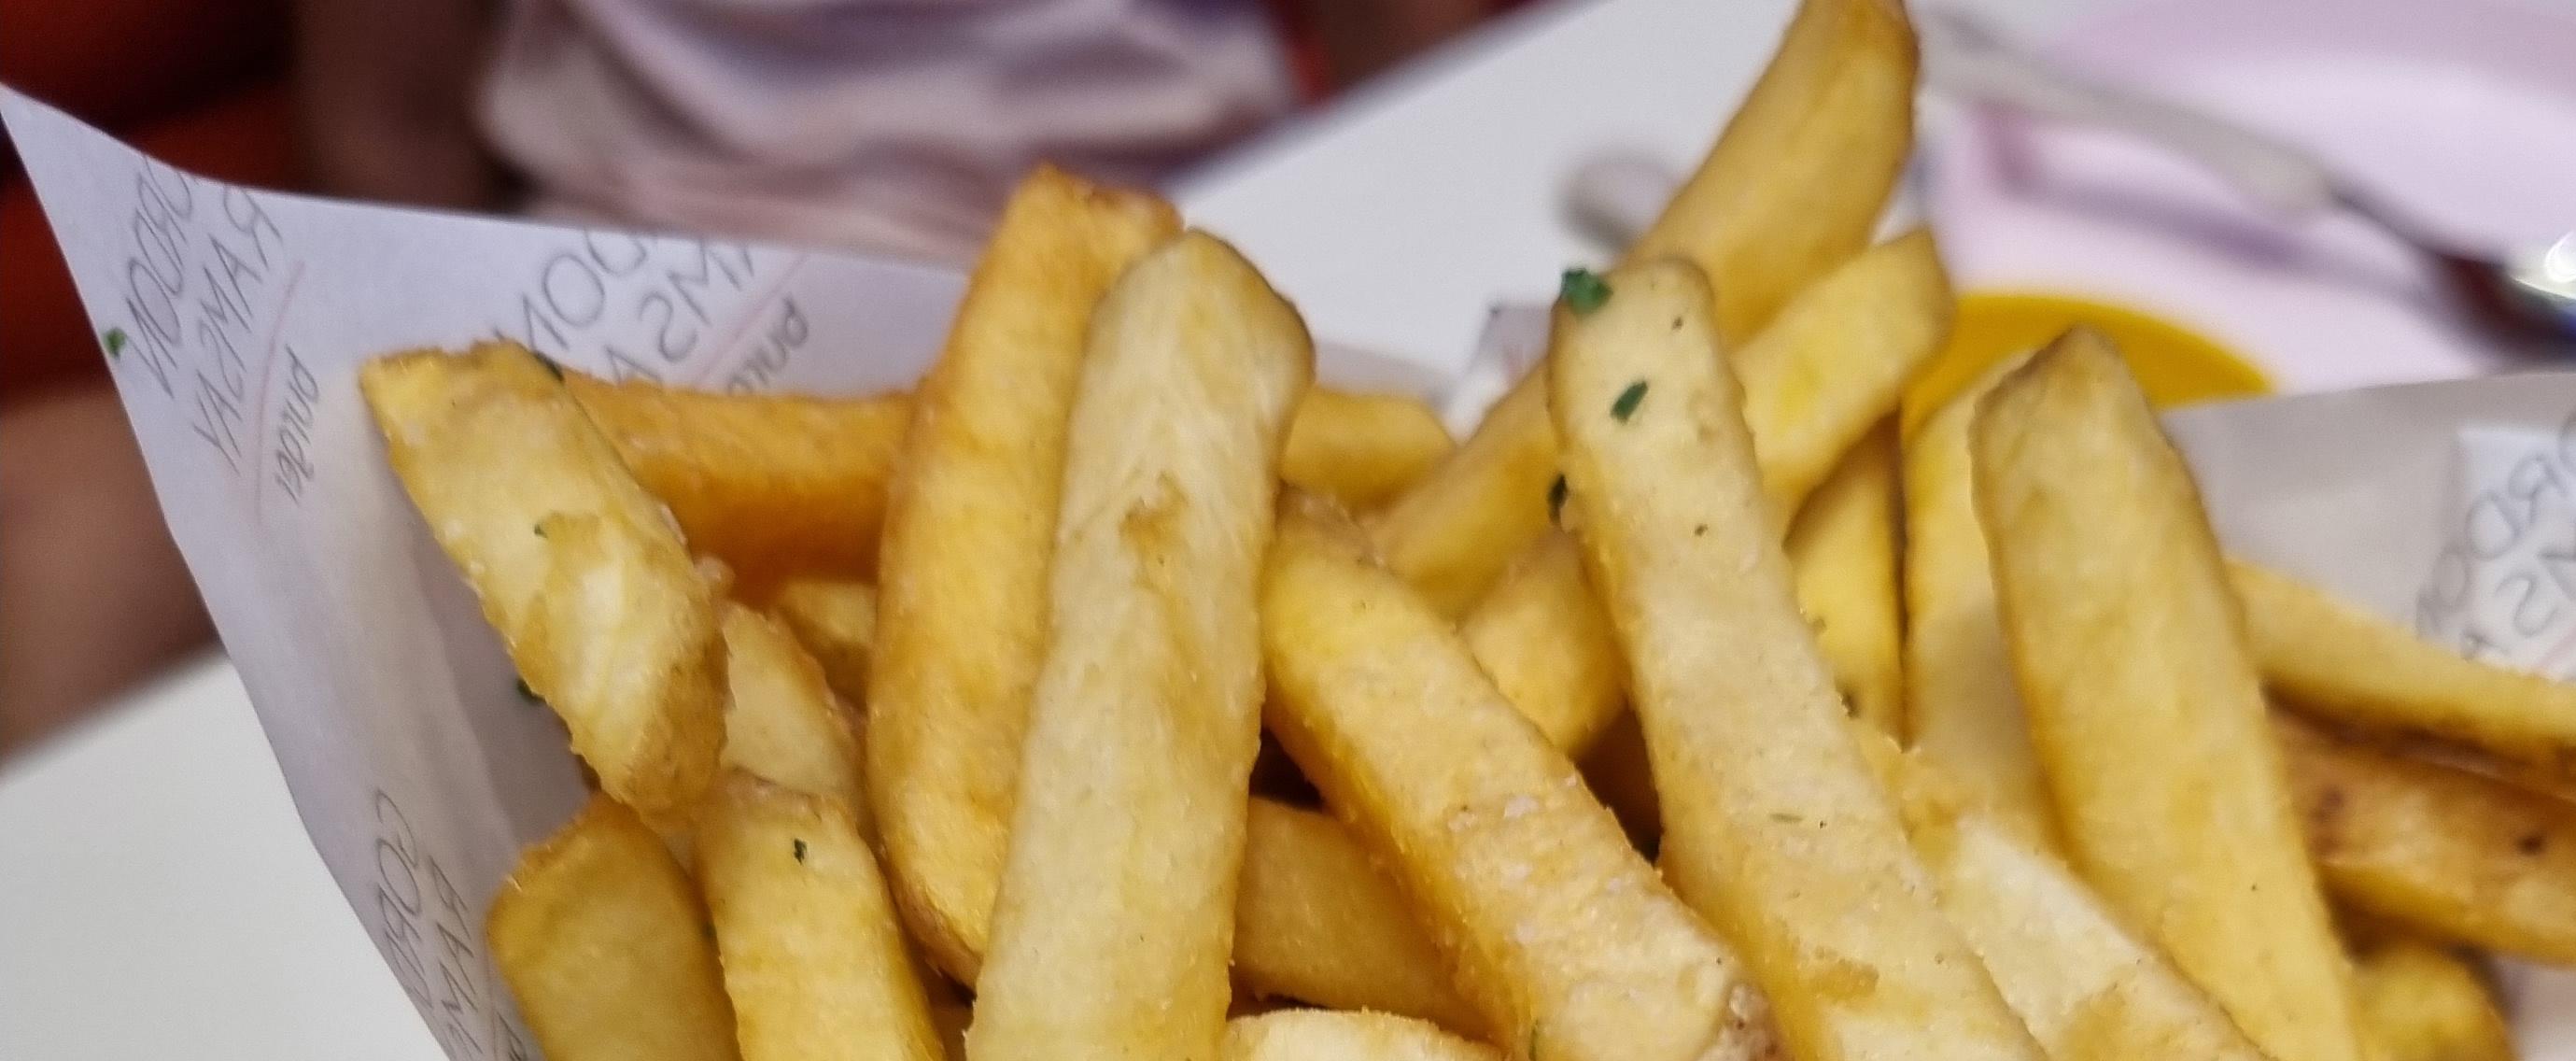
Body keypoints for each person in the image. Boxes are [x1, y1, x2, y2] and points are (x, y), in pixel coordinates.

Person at [0, 0, 1498, 756]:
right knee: (50, 514)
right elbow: (385, 126)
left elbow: (1420, 61)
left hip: (1169, 279)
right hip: (604, 307)